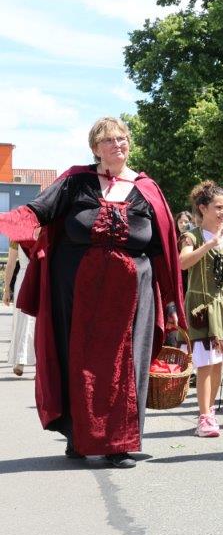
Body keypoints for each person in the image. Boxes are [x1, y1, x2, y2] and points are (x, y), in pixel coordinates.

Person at [0, 116, 185, 468]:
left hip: (133, 293)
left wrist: (171, 302)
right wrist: (7, 221)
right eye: (109, 140)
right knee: (79, 362)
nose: (118, 144)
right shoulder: (75, 181)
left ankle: (119, 444)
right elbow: (37, 211)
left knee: (125, 365)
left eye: (122, 138)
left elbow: (162, 247)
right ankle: (79, 437)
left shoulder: (146, 188)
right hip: (77, 291)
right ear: (95, 148)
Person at [179, 181, 223, 438]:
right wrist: (209, 244)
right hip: (202, 306)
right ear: (203, 208)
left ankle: (210, 413)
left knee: (218, 362)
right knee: (205, 363)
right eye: (218, 207)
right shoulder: (192, 237)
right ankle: (204, 416)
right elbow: (183, 262)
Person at [4, 239, 35, 377]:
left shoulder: (44, 233)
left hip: (34, 278)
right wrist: (6, 290)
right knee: (23, 319)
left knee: (35, 322)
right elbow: (10, 263)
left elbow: (11, 263)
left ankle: (32, 363)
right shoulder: (17, 237)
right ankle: (20, 359)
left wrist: (6, 289)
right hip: (28, 278)